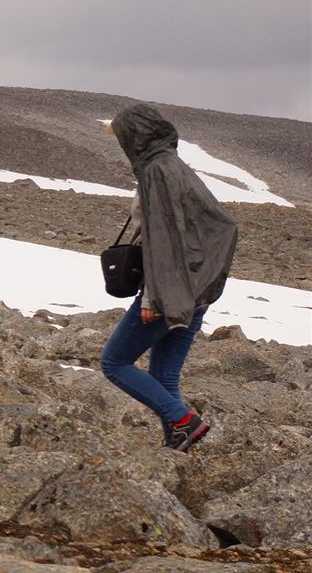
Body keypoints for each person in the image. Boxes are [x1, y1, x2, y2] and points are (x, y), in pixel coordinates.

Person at [100, 103, 237, 451]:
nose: (120, 144)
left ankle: (183, 421)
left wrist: (153, 298)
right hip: (196, 288)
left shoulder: (157, 171)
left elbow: (164, 238)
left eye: (122, 137)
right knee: (164, 377)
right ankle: (178, 445)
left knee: (114, 362)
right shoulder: (171, 166)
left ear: (136, 136)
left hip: (170, 289)